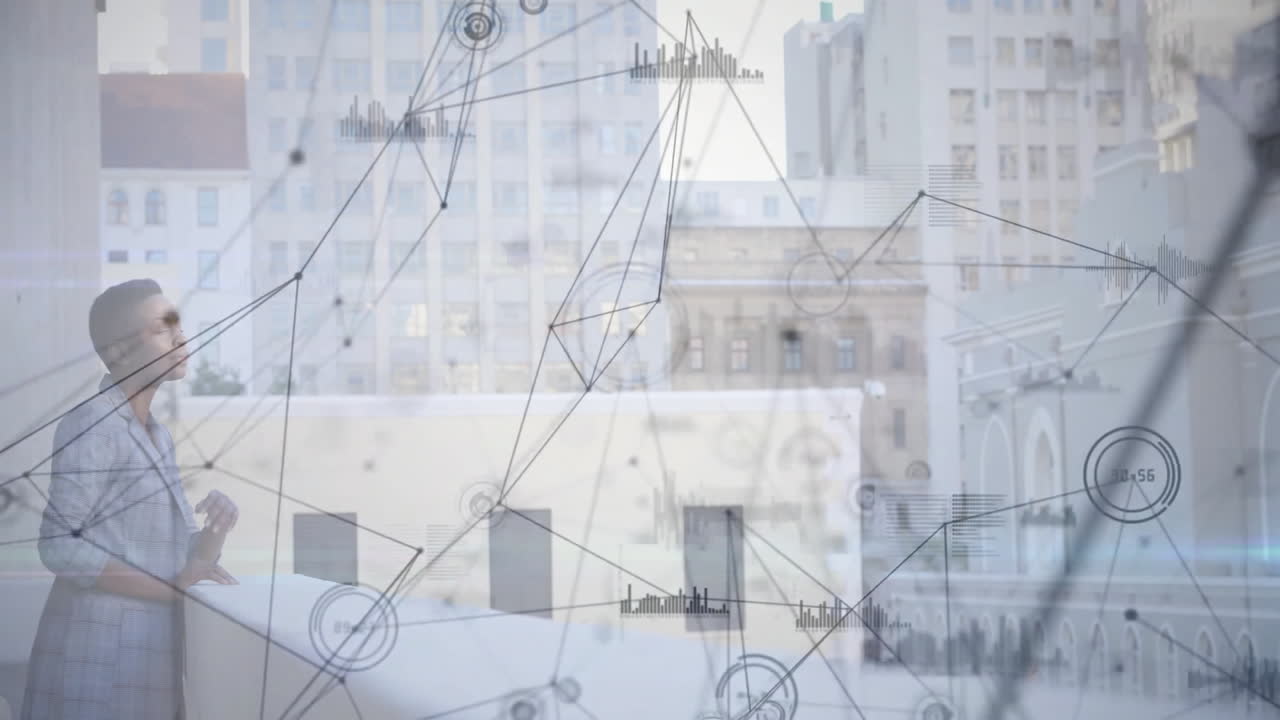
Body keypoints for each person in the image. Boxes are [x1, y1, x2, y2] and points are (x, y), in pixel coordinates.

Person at [22, 279, 240, 720]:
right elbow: (60, 546)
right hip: (96, 656)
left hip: (144, 655)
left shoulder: (156, 435)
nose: (181, 337)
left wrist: (216, 530)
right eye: (163, 328)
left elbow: (179, 555)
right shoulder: (92, 424)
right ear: (119, 351)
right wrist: (172, 588)